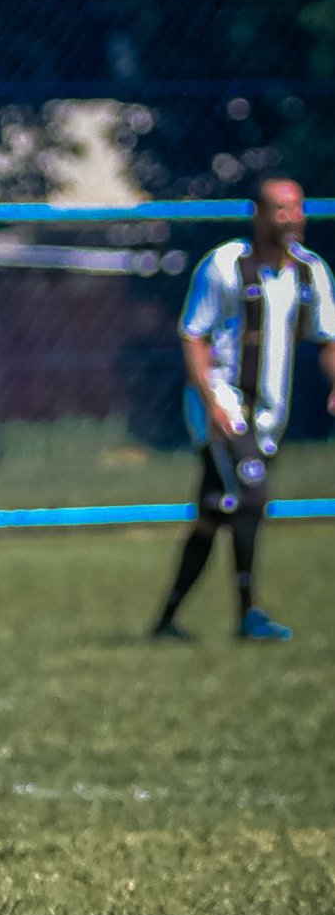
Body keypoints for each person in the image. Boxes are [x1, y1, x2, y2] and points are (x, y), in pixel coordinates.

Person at [151, 173, 335, 642]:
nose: (292, 218)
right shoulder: (226, 266)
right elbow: (194, 335)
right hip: (226, 406)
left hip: (272, 413)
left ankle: (166, 620)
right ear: (257, 214)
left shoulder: (311, 272)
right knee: (252, 495)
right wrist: (212, 402)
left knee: (215, 511)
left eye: (298, 208)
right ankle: (248, 616)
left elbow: (328, 339)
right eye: (281, 209)